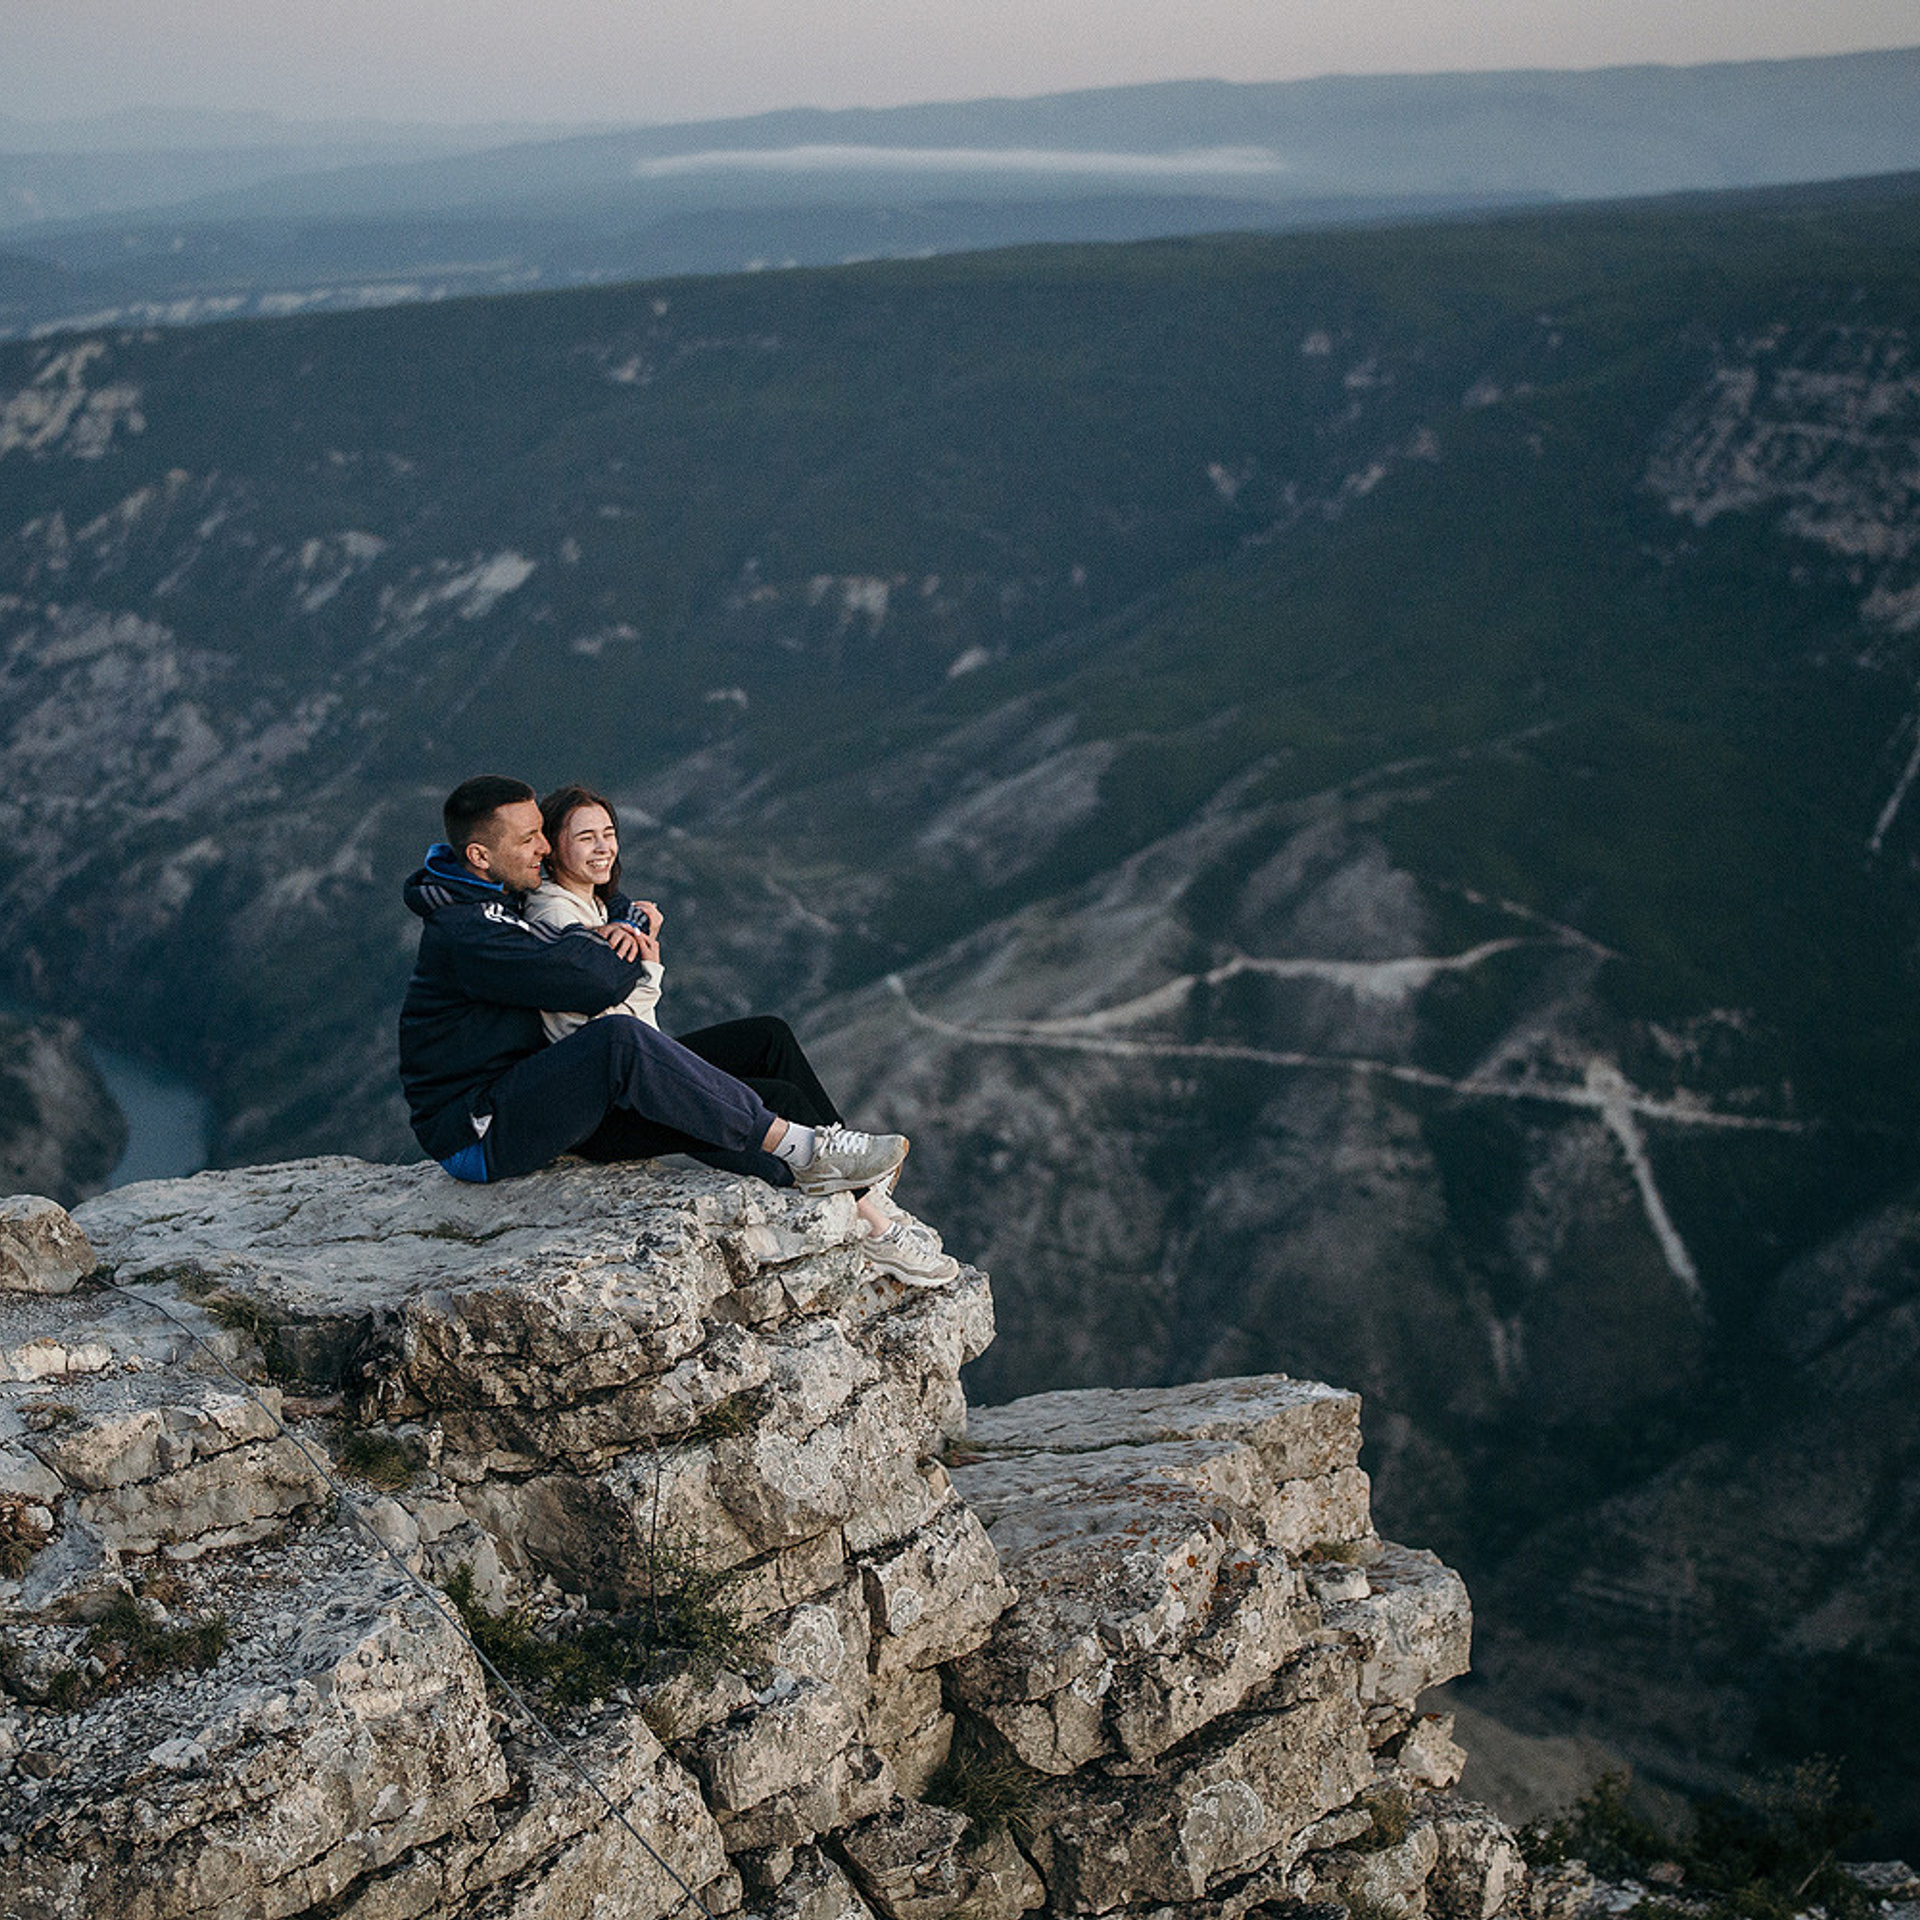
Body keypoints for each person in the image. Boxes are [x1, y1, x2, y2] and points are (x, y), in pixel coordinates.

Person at [396, 776, 955, 1286]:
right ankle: (816, 1162)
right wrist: (630, 931)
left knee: (766, 1036)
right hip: (478, 1127)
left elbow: (595, 919)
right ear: (478, 855)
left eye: (544, 834)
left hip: (537, 1085)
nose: (542, 849)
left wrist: (622, 921)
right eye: (531, 840)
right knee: (637, 1049)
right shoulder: (473, 932)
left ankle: (852, 1181)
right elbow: (593, 983)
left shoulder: (489, 895)